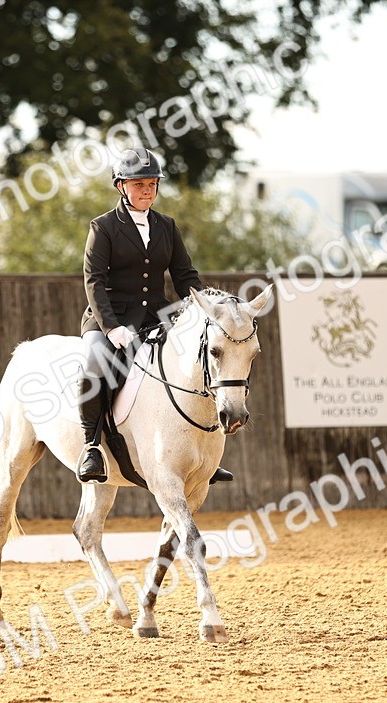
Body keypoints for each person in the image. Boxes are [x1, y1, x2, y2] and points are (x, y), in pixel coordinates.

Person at [75, 147, 234, 486]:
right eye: (139, 184)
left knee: (195, 366)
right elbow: (94, 281)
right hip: (108, 319)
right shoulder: (103, 227)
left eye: (152, 184)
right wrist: (111, 327)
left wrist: (204, 310)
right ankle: (91, 448)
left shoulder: (166, 226)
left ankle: (201, 458)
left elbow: (185, 276)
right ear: (121, 186)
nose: (147, 190)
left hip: (156, 319)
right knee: (93, 369)